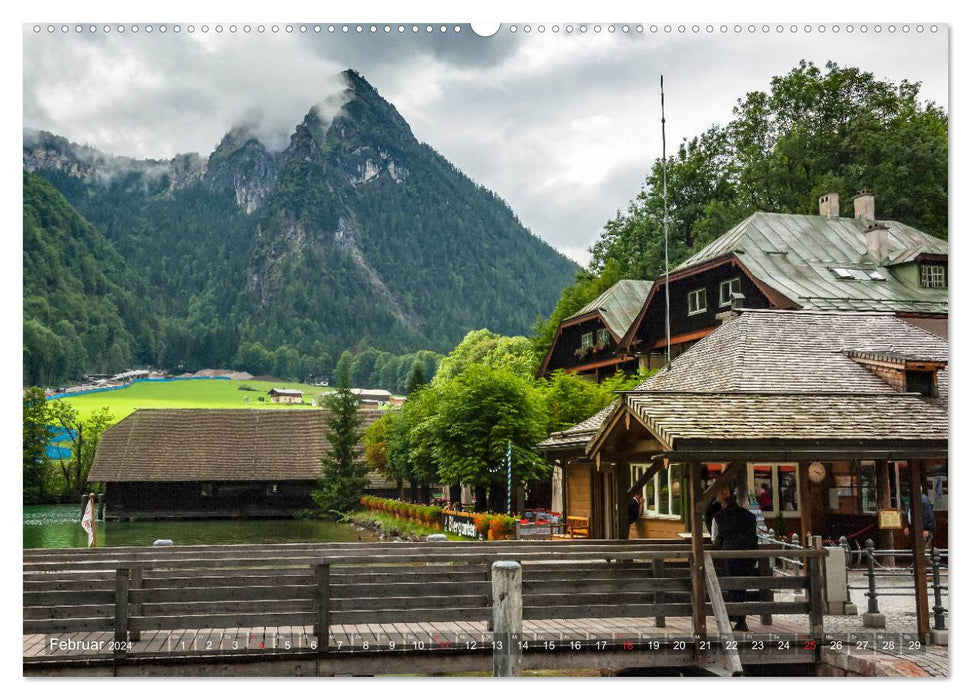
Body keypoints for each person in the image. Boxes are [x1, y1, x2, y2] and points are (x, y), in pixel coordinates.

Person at [713, 493, 759, 632]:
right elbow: (753, 535)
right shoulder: (750, 516)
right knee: (741, 585)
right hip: (748, 553)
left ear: (723, 504)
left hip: (729, 553)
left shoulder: (719, 517)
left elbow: (715, 538)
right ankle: (739, 618)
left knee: (731, 585)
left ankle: (736, 617)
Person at [903, 481, 937, 547]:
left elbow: (927, 517)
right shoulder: (916, 499)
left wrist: (926, 530)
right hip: (917, 531)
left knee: (922, 552)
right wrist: (910, 528)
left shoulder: (922, 500)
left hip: (922, 531)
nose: (909, 491)